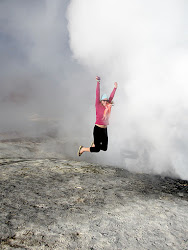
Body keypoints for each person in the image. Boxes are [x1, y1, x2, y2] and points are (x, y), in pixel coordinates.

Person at [77, 76, 118, 156]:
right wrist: (98, 82)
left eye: (106, 100)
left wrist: (115, 88)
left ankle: (95, 143)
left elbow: (111, 96)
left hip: (104, 129)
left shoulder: (108, 106)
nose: (105, 102)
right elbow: (97, 93)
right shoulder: (98, 105)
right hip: (98, 129)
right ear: (101, 101)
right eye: (104, 100)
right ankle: (83, 149)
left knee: (105, 148)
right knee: (97, 149)